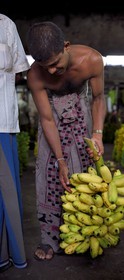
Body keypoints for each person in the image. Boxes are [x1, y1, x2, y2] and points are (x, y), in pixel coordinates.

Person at [26, 21, 107, 261]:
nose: (51, 71)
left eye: (55, 64)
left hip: (82, 114)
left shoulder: (92, 59)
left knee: (87, 173)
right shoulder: (34, 75)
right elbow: (46, 119)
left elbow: (98, 98)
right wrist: (60, 159)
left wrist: (98, 133)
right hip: (52, 120)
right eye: (45, 66)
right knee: (50, 177)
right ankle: (50, 240)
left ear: (66, 46)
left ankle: (88, 233)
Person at [0, 14, 30, 272]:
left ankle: (10, 254)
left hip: (3, 123)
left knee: (7, 193)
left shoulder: (6, 25)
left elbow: (21, 71)